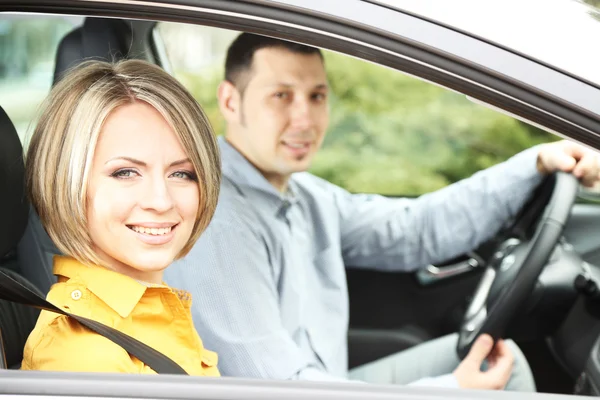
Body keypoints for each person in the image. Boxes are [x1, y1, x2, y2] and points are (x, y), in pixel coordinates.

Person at [165, 33, 600, 390]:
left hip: (325, 381)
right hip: (296, 392)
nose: (305, 119)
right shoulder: (215, 220)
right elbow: (280, 390)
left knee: (500, 364)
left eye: (317, 96)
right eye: (281, 96)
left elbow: (414, 230)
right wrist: (450, 391)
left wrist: (533, 163)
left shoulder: (307, 196)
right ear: (230, 102)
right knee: (491, 376)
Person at [21, 59, 222, 375]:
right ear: (68, 182)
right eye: (125, 172)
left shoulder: (153, 308)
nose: (160, 200)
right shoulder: (84, 354)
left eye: (182, 173)